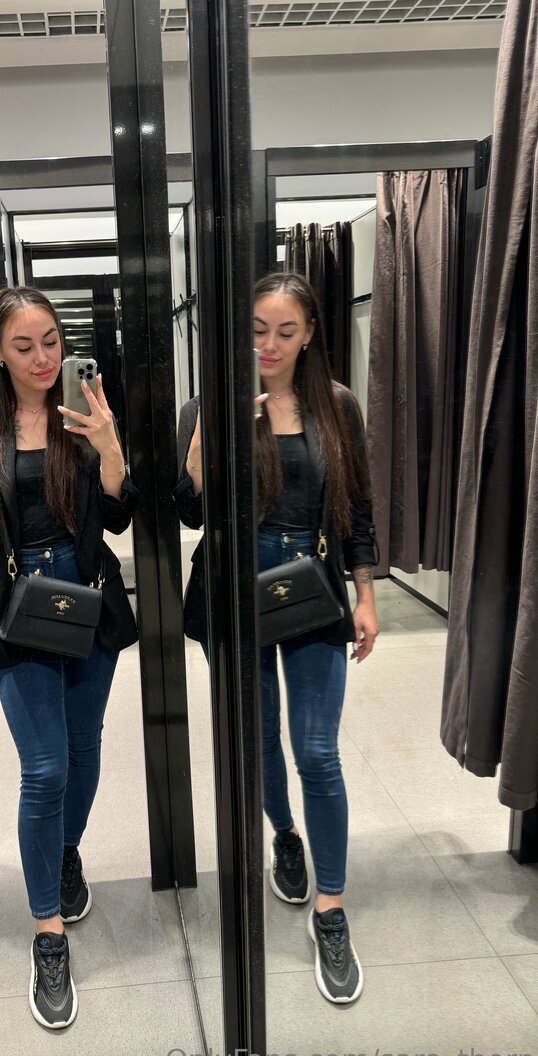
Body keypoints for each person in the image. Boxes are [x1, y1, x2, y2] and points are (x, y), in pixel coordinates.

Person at [174, 271, 379, 1005]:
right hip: (235, 590)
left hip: (315, 587)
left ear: (310, 333)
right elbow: (188, 511)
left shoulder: (337, 406)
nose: (269, 345)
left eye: (285, 332)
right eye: (257, 330)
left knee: (317, 751)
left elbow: (355, 507)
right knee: (258, 738)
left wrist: (365, 593)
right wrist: (207, 446)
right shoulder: (206, 407)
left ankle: (331, 907)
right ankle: (284, 834)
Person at [0, 286, 138, 1030]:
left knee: (84, 749)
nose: (42, 359)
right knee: (46, 767)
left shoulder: (83, 413)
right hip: (18, 606)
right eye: (24, 346)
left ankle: (64, 853)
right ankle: (47, 933)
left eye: (52, 342)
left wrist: (109, 447)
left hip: (87, 599)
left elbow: (118, 515)